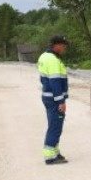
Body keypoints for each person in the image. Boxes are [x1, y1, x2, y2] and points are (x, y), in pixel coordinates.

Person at [38, 34, 70, 165]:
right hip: (54, 98)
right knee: (55, 127)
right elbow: (55, 82)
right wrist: (60, 101)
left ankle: (55, 152)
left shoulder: (44, 56)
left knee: (55, 125)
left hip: (48, 96)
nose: (64, 48)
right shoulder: (52, 60)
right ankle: (50, 156)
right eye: (63, 45)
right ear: (56, 45)